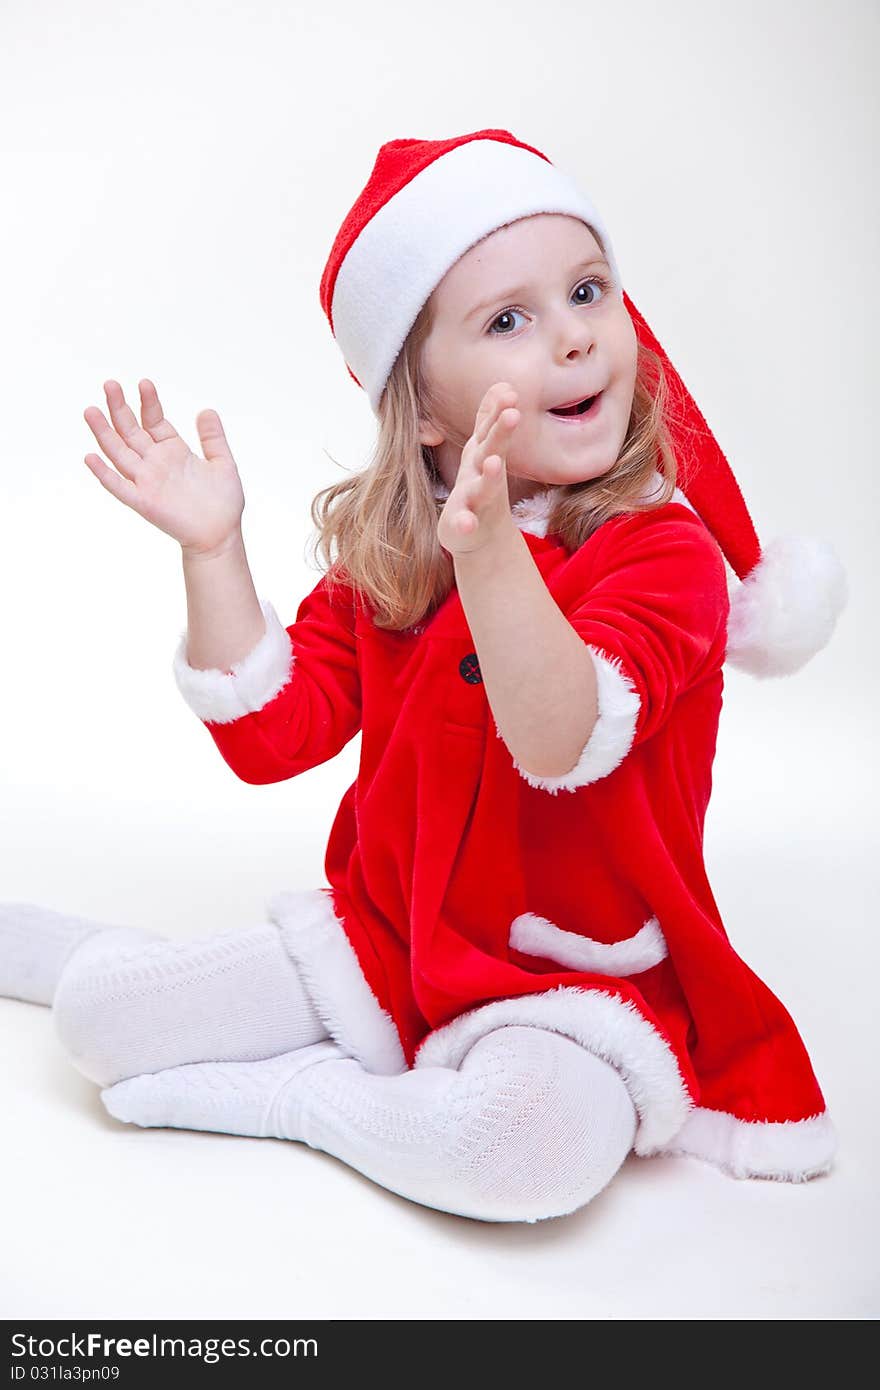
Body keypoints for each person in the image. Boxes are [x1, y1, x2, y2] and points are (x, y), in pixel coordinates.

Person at [0, 128, 849, 1224]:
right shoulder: (391, 562)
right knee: (99, 1018)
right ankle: (99, 957)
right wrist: (213, 551)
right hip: (386, 937)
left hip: (570, 983)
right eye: (508, 319)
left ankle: (299, 1099)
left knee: (520, 1153)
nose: (577, 339)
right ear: (428, 407)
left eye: (588, 292)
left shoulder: (662, 553)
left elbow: (558, 735)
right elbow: (271, 737)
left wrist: (491, 553)